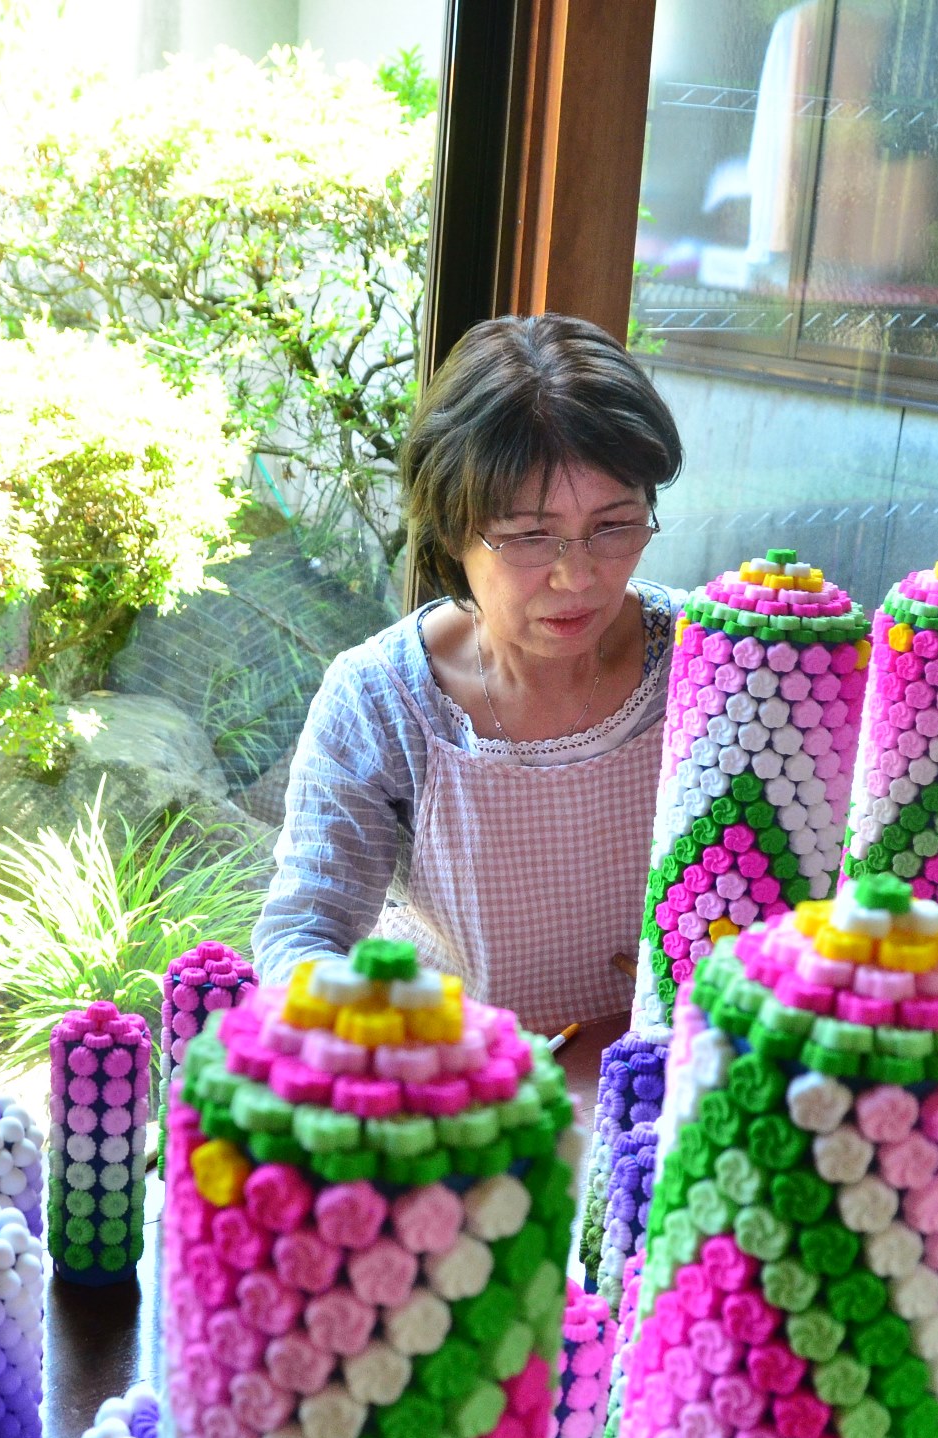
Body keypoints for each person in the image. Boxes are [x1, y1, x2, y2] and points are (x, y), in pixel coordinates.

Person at [255, 314, 687, 1033]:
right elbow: (305, 930)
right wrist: (377, 1037)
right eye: (530, 536)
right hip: (457, 1075)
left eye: (614, 526)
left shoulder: (708, 661)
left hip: (667, 1072)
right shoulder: (383, 699)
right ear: (454, 531)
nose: (578, 577)